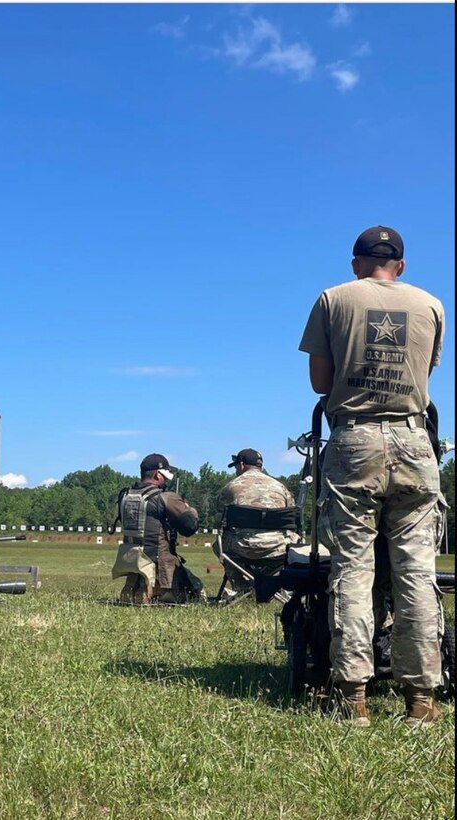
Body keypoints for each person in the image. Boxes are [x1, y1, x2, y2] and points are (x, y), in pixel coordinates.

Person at [299, 225, 446, 727]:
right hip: (414, 440)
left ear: (355, 261)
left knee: (354, 570)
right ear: (400, 266)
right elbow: (425, 377)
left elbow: (320, 381)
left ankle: (352, 696)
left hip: (354, 439)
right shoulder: (432, 305)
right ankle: (422, 700)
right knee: (416, 573)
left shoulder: (332, 299)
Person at [112, 453, 200, 604]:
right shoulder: (165, 497)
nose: (166, 481)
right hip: (160, 564)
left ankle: (137, 589)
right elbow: (190, 527)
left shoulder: (125, 496)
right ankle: (159, 591)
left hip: (132, 560)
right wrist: (187, 508)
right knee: (197, 591)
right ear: (158, 475)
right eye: (165, 476)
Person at [215, 449, 300, 591]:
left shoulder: (230, 488)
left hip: (243, 547)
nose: (236, 470)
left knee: (219, 544)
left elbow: (219, 520)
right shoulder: (281, 488)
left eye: (236, 467)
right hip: (279, 547)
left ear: (241, 464)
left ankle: (243, 587)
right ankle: (270, 586)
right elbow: (292, 517)